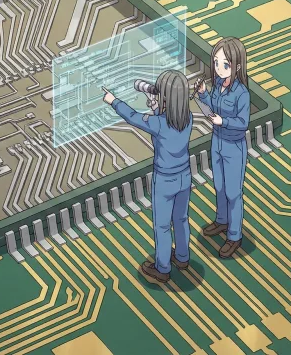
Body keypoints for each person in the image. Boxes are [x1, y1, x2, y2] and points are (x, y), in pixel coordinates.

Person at [102, 70, 193, 283]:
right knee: (180, 219)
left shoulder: (159, 123)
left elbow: (133, 117)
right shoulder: (186, 118)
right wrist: (156, 108)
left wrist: (113, 101)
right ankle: (182, 256)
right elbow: (166, 123)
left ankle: (162, 268)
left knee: (162, 226)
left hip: (165, 180)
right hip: (185, 176)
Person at [193, 37, 250, 259]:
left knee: (234, 192)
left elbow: (243, 123)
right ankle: (221, 220)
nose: (218, 68)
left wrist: (223, 122)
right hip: (217, 142)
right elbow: (213, 108)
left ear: (236, 65)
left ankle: (234, 236)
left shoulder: (241, 93)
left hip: (233, 146)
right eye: (216, 62)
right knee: (219, 185)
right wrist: (203, 95)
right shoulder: (218, 85)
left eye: (223, 64)